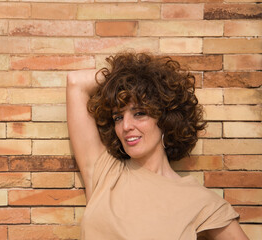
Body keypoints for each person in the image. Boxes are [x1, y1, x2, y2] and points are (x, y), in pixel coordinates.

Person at [66, 52, 249, 240]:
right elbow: (76, 82)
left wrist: (152, 82)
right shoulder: (105, 172)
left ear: (164, 119)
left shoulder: (201, 202)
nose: (126, 126)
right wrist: (129, 78)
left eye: (139, 113)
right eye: (118, 117)